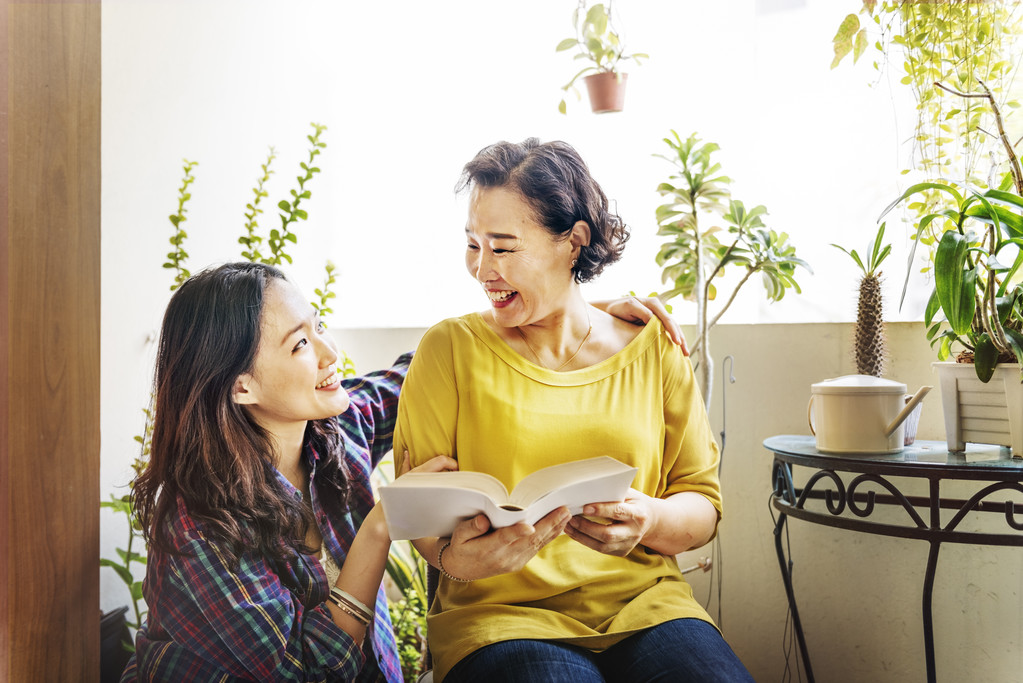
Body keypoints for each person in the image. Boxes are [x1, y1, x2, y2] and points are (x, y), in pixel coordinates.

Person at [120, 261, 678, 682]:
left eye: (318, 328)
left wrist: (569, 317)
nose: (329, 352)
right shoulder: (197, 527)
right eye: (299, 346)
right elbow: (311, 671)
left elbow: (445, 364)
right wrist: (382, 524)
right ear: (242, 386)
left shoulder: (337, 431)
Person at [394, 139, 754, 682]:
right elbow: (420, 514)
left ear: (573, 242)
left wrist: (649, 519)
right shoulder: (448, 350)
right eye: (473, 245)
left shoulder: (652, 347)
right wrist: (454, 561)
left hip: (650, 611)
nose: (481, 269)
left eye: (504, 247)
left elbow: (702, 507)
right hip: (499, 621)